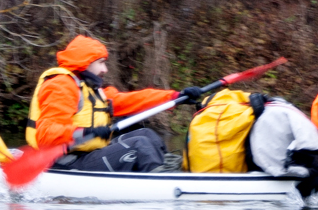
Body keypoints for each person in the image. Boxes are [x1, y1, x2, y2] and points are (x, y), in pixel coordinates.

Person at [27, 35, 202, 172]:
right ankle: (164, 180)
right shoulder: (61, 86)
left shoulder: (90, 89)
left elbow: (134, 100)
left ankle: (168, 171)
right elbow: (46, 134)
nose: (105, 69)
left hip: (87, 154)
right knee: (140, 146)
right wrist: (88, 132)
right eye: (101, 63)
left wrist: (176, 96)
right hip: (67, 161)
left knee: (148, 135)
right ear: (85, 64)